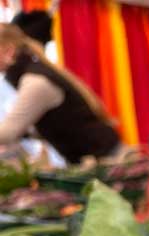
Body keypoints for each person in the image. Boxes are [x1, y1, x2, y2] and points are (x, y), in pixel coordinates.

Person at [0, 23, 120, 164]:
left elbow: (8, 133)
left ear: (9, 51)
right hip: (98, 155)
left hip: (107, 160)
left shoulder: (35, 82)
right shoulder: (34, 73)